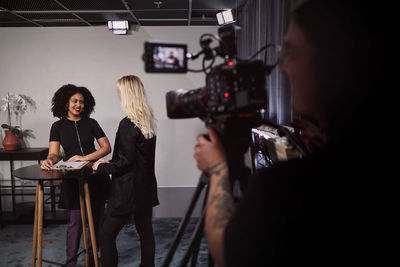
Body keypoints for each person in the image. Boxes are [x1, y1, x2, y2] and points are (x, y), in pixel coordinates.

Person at [194, 0, 383, 266]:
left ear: (332, 63)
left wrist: (217, 168)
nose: (282, 68)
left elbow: (226, 251)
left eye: (292, 54)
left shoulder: (286, 189)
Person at [92, 75, 159, 267]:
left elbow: (125, 163)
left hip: (127, 191)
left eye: (119, 91)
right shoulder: (147, 121)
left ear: (128, 94)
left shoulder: (128, 123)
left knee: (106, 235)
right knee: (146, 232)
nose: (118, 94)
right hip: (144, 187)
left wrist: (103, 166)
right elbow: (136, 159)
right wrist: (110, 162)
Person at [41, 84, 111, 266]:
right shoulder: (57, 126)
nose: (78, 104)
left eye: (81, 101)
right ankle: (70, 261)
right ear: (65, 103)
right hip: (72, 179)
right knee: (75, 222)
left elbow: (106, 147)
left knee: (97, 220)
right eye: (74, 101)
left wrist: (84, 158)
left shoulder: (92, 123)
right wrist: (49, 159)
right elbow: (54, 153)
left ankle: (91, 256)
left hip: (95, 175)